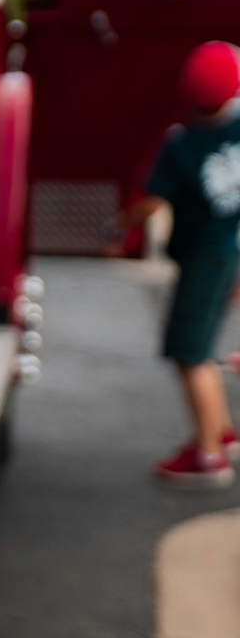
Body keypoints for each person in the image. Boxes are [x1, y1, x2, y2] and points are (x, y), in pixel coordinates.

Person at [111, 41, 240, 489]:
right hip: (231, 251)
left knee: (190, 354)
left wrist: (119, 224)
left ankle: (208, 457)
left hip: (201, 257)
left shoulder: (182, 143)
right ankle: (220, 433)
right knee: (203, 346)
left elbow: (153, 201)